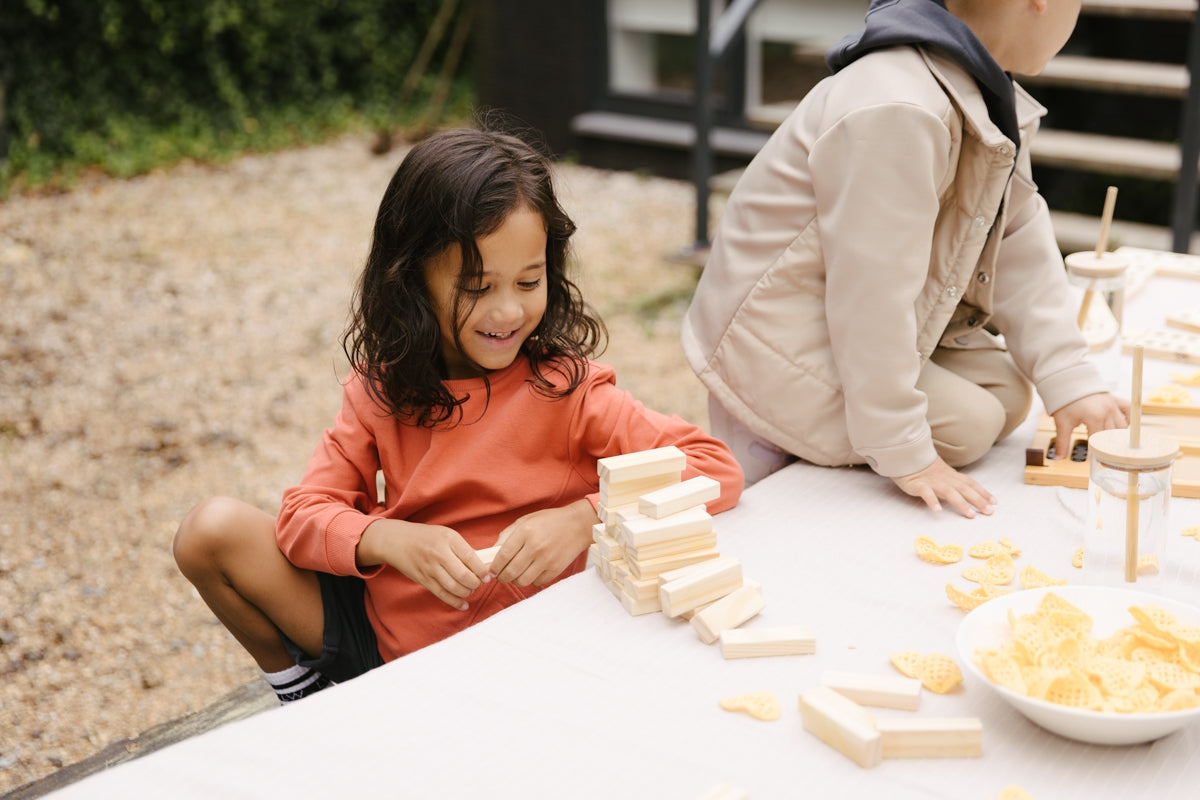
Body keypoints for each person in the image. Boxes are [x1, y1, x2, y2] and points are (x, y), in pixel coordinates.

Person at [173, 126, 744, 703]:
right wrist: (388, 539)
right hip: (391, 646)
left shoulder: (566, 389)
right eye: (477, 286)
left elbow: (712, 465)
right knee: (209, 531)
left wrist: (583, 518)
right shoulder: (379, 392)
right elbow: (302, 518)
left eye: (529, 280)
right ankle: (307, 693)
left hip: (529, 657)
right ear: (412, 277)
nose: (507, 310)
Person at [681, 0, 1128, 518]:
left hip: (840, 318)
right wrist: (904, 451)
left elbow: (1017, 240)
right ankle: (783, 457)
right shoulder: (899, 107)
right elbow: (871, 293)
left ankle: (873, 417)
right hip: (773, 342)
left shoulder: (982, 88)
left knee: (1005, 395)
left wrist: (1070, 378)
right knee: (970, 424)